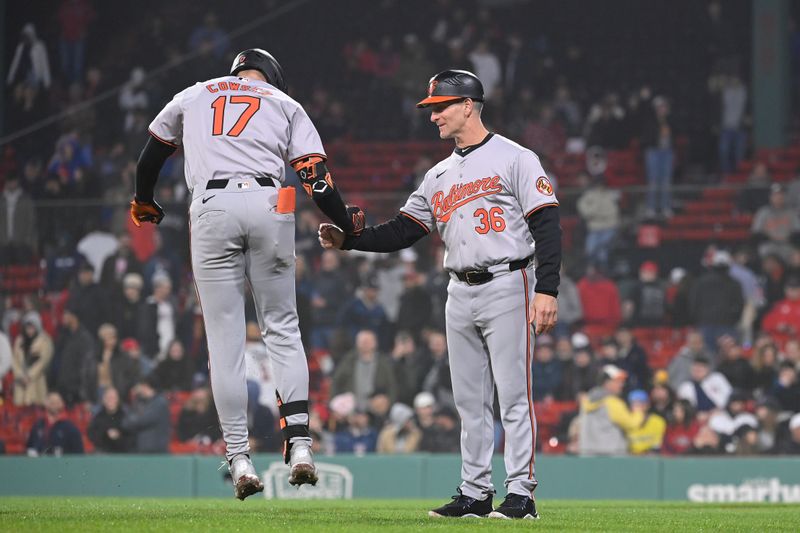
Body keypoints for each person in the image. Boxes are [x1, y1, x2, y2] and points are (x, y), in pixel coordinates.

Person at [319, 69, 561, 520]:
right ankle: (474, 492)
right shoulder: (438, 174)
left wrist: (547, 288)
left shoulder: (515, 157)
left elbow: (546, 224)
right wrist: (349, 241)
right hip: (459, 289)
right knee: (469, 401)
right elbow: (403, 230)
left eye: (441, 106)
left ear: (468, 104)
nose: (433, 116)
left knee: (513, 395)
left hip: (510, 282)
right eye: (432, 108)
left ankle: (521, 495)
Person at [130, 48, 364, 498]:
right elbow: (316, 179)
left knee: (225, 342)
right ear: (272, 76)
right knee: (282, 329)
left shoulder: (195, 94)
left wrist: (144, 199)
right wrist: (342, 219)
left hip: (212, 207)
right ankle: (299, 446)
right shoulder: (284, 103)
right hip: (268, 204)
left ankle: (239, 459)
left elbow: (149, 159)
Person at [578, 365, 645, 456]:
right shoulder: (612, 402)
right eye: (617, 381)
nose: (621, 384)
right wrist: (638, 411)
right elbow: (632, 424)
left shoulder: (586, 400)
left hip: (588, 455)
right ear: (606, 383)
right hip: (612, 457)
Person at [11, 311, 53, 406]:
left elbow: (43, 361)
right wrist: (20, 375)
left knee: (36, 409)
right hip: (21, 384)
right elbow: (14, 360)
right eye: (27, 328)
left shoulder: (45, 341)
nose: (30, 331)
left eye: (32, 328)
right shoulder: (19, 340)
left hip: (36, 382)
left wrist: (29, 376)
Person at [121, 379, 170, 454]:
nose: (140, 389)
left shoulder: (160, 402)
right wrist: (136, 418)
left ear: (148, 387)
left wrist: (134, 419)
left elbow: (144, 420)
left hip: (156, 451)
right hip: (140, 449)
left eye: (142, 386)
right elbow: (125, 422)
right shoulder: (139, 402)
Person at [88, 387, 130, 453]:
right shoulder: (98, 417)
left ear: (118, 399)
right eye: (108, 398)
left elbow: (130, 438)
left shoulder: (125, 416)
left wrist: (119, 436)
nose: (111, 401)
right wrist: (106, 434)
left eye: (113, 398)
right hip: (103, 454)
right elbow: (92, 436)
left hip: (122, 454)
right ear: (104, 400)